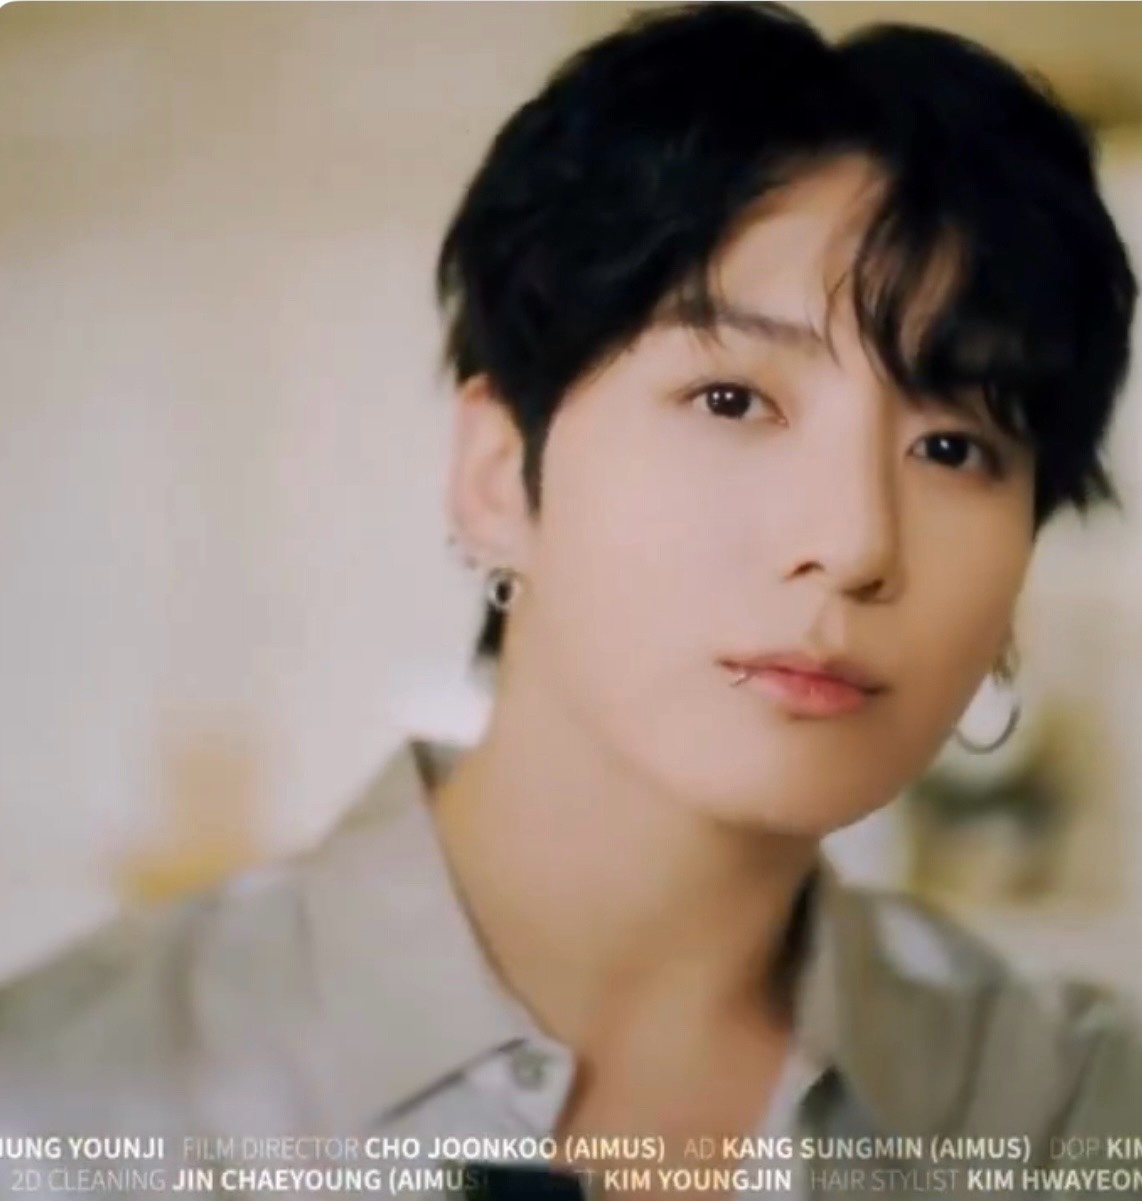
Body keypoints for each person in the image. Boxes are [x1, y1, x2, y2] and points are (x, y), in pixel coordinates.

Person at [1, 4, 1139, 1200]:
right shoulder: (68, 1114)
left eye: (954, 447)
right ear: (499, 477)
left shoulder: (1070, 1112)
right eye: (731, 400)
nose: (854, 543)